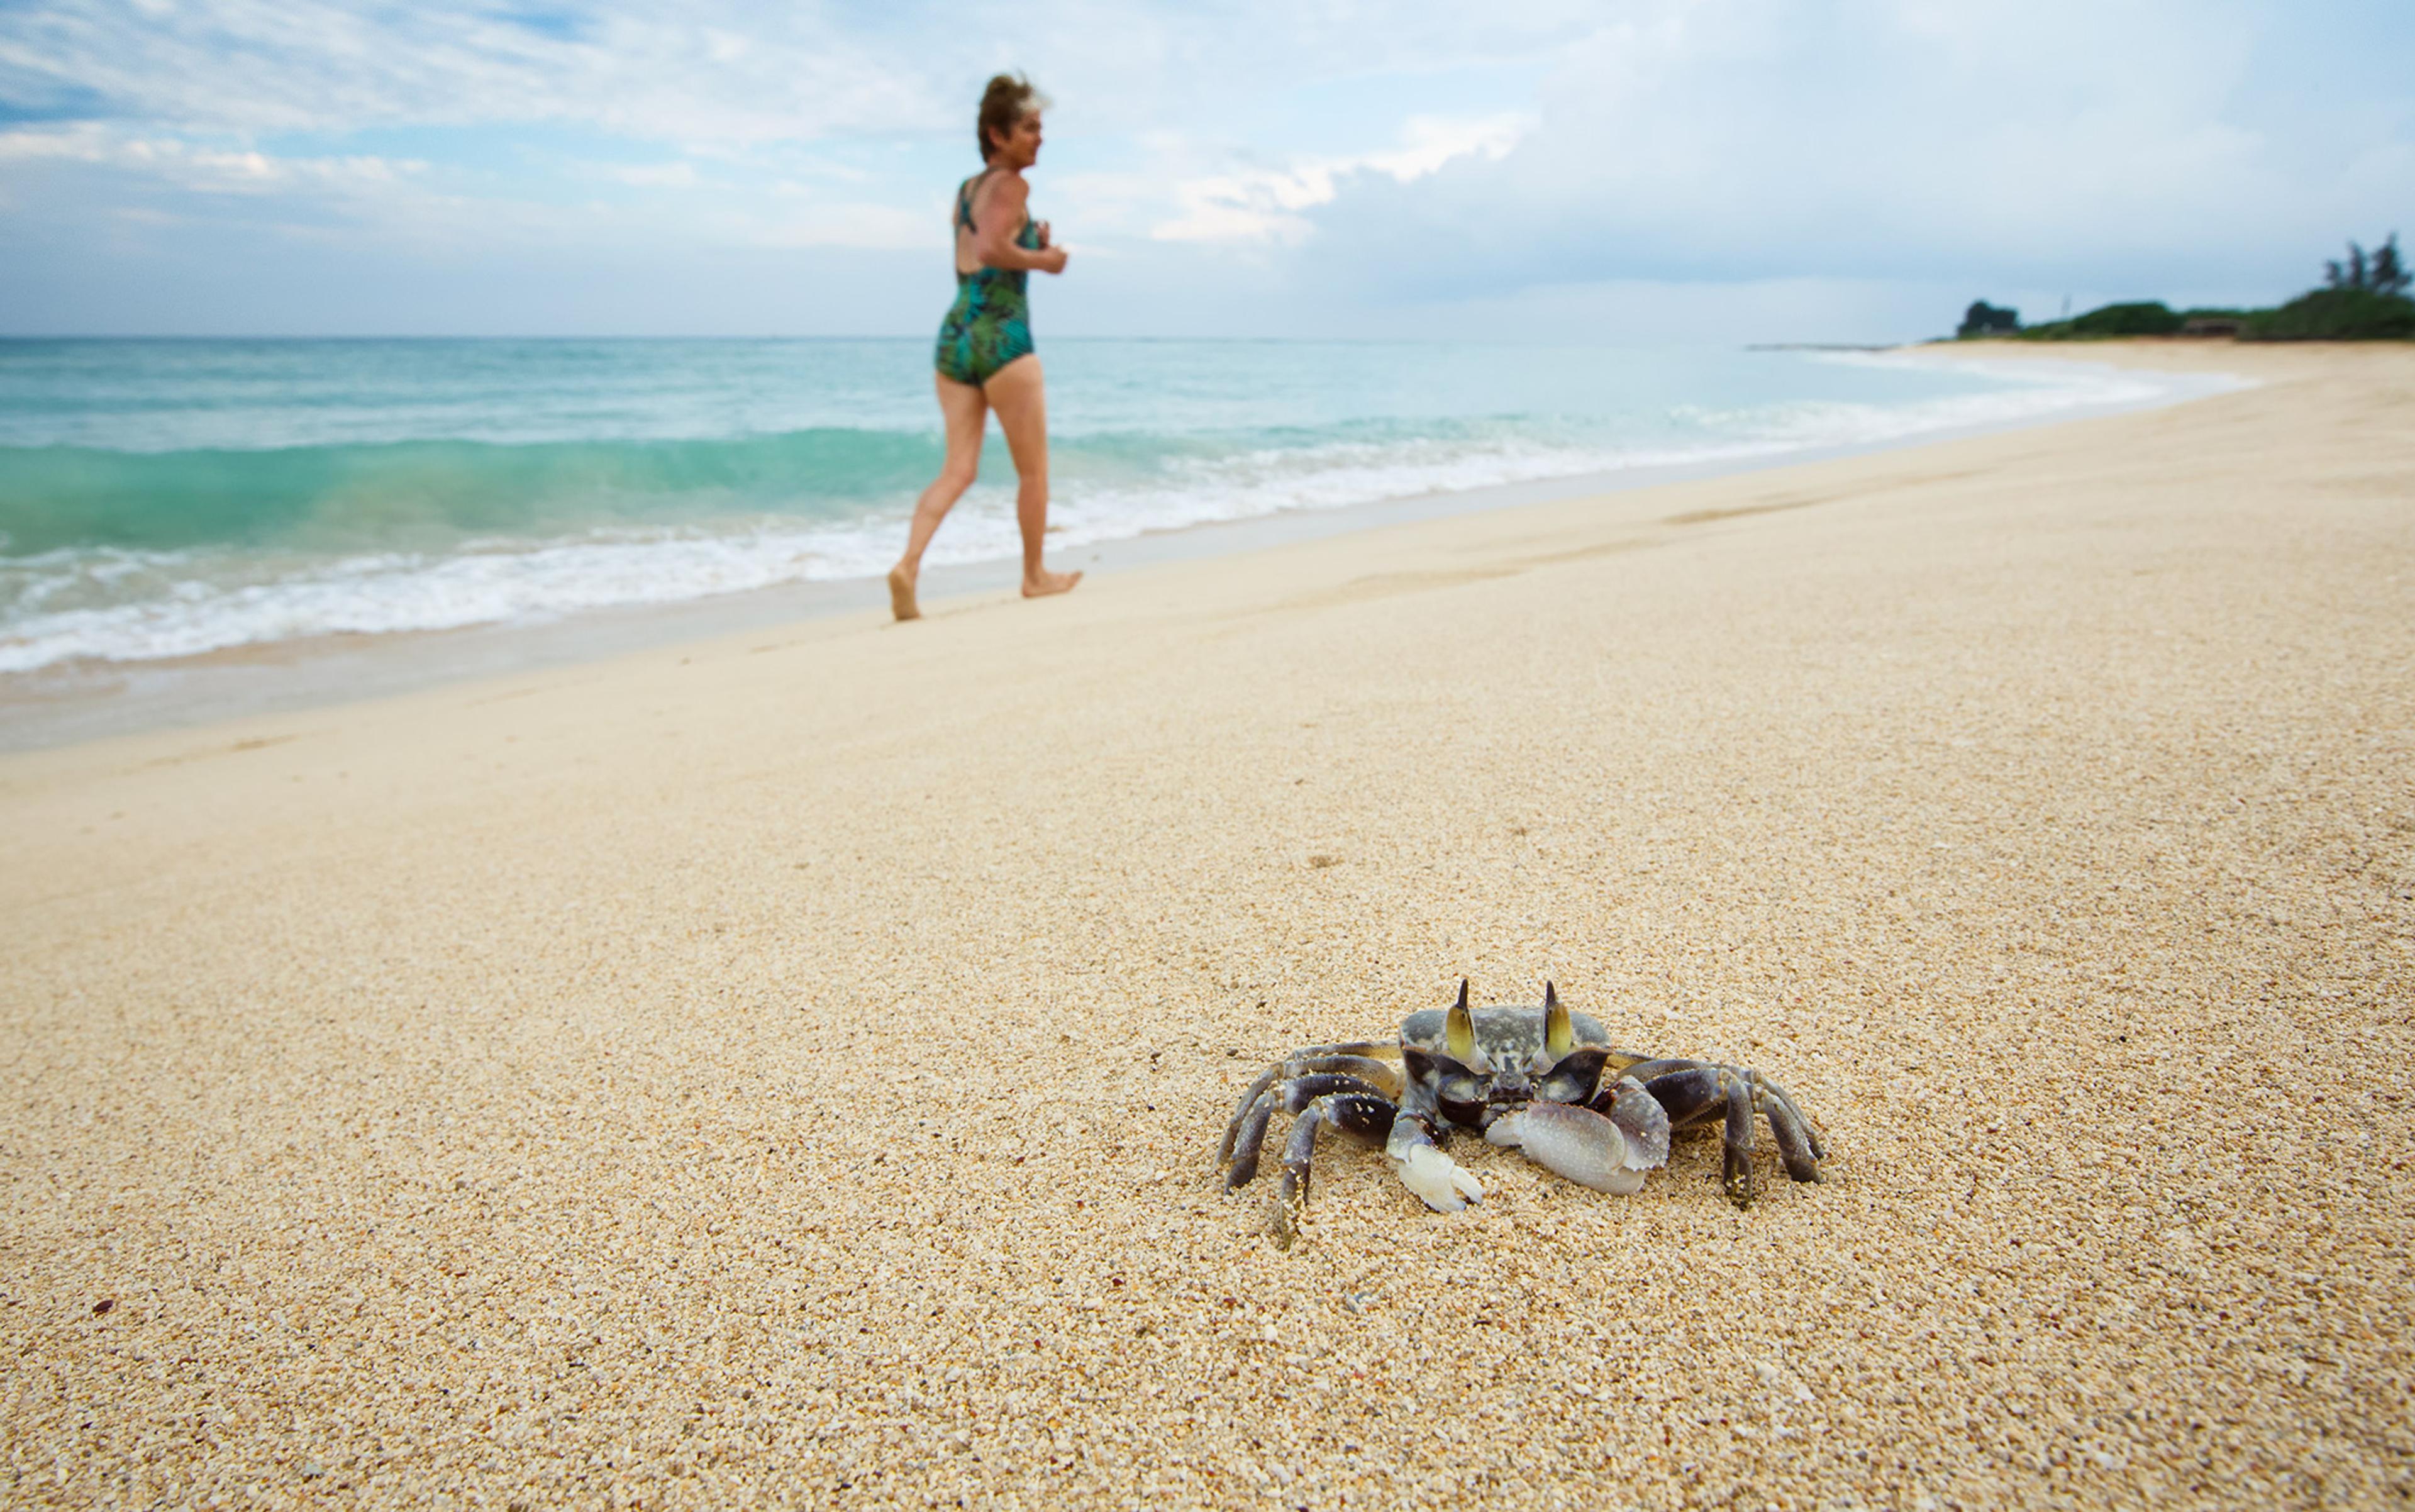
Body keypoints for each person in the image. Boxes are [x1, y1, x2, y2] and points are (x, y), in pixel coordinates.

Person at [887, 74, 1081, 621]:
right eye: (1028, 128)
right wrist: (1047, 260)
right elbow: (993, 249)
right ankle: (1035, 576)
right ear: (997, 135)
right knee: (1033, 470)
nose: (1038, 139)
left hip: (956, 334)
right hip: (1002, 334)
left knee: (958, 469)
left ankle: (908, 565)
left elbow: (972, 254)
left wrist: (1028, 244)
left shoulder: (966, 191)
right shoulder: (1013, 186)